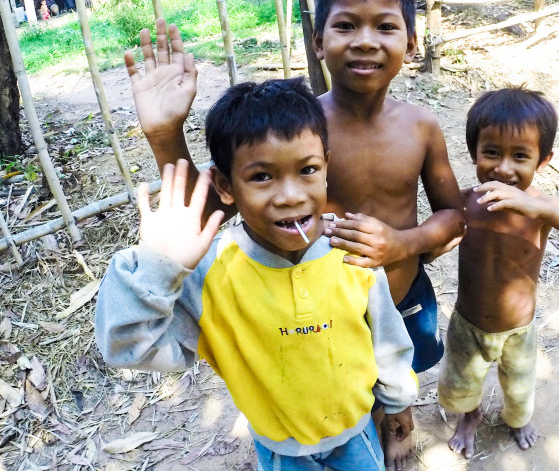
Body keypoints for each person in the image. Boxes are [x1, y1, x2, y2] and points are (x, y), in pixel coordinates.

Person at [123, 0, 464, 470]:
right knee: (326, 383)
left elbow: (454, 217)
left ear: (411, 44)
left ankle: (396, 427)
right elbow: (212, 209)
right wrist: (166, 135)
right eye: (346, 25)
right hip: (315, 303)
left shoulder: (421, 128)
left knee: (399, 375)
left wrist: (402, 244)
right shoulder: (299, 132)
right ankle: (354, 438)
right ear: (318, 42)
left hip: (400, 288)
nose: (365, 40)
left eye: (386, 27)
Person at [95, 79, 418, 470]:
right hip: (280, 450)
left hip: (357, 435)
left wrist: (398, 401)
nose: (290, 195)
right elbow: (126, 347)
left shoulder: (350, 249)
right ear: (226, 187)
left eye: (307, 170)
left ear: (326, 169)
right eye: (262, 177)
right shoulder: (210, 274)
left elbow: (387, 337)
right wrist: (157, 268)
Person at [437, 87, 559, 458]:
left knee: (519, 390)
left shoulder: (543, 208)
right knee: (462, 384)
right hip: (468, 323)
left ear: (543, 160)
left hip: (519, 329)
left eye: (520, 156)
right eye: (491, 152)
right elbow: (431, 245)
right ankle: (470, 417)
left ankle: (517, 420)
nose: (504, 168)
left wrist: (541, 210)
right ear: (474, 152)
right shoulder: (466, 201)